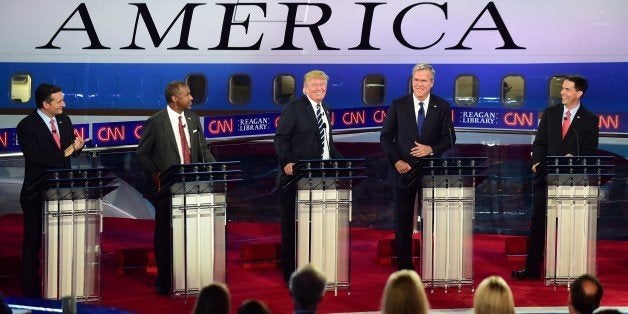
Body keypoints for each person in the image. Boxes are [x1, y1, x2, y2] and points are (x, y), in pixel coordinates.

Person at [512, 75, 599, 279]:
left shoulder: (590, 119)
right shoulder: (551, 114)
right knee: (538, 225)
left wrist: (574, 158)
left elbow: (590, 151)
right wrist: (536, 162)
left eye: (568, 89)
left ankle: (571, 268)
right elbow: (540, 142)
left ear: (579, 93)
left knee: (570, 225)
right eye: (562, 89)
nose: (562, 92)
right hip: (545, 177)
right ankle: (532, 269)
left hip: (572, 181)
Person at [136, 81, 215, 295]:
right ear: (174, 98)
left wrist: (214, 170)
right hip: (165, 188)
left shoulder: (192, 118)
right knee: (165, 235)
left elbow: (203, 149)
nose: (191, 98)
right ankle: (164, 280)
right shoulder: (156, 121)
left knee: (189, 233)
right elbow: (142, 153)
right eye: (187, 95)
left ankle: (188, 275)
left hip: (192, 185)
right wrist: (156, 175)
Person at [380, 63, 455, 270]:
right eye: (416, 80)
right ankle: (405, 267)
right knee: (403, 223)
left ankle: (435, 263)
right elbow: (386, 138)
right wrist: (397, 161)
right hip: (402, 172)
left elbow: (450, 139)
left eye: (423, 80)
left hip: (430, 173)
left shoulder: (442, 106)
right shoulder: (398, 105)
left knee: (433, 221)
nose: (419, 84)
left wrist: (430, 149)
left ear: (431, 83)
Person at [17, 83, 87, 298]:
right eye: (59, 101)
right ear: (45, 104)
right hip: (36, 192)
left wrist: (78, 147)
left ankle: (60, 287)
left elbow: (68, 152)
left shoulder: (64, 121)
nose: (64, 104)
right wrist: (68, 151)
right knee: (33, 243)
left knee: (61, 241)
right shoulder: (27, 125)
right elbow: (37, 157)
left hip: (62, 191)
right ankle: (31, 292)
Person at [274, 70, 343, 283]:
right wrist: (287, 162)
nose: (320, 89)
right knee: (293, 229)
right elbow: (281, 138)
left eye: (323, 85)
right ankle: (291, 275)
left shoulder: (326, 109)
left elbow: (327, 146)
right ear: (305, 88)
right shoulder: (294, 108)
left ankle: (315, 267)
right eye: (315, 85)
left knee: (316, 227)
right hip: (295, 179)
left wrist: (344, 163)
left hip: (321, 179)